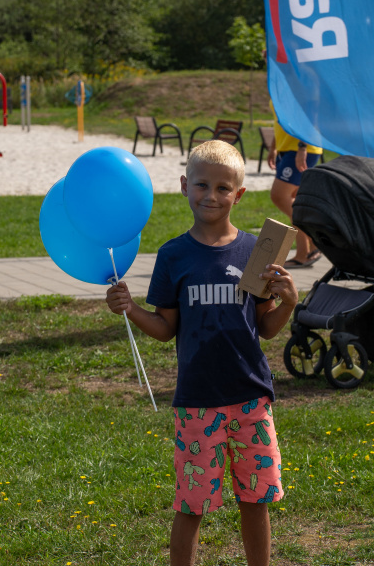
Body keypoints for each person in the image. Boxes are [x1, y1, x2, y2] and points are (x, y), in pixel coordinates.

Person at [106, 140, 298, 566]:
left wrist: (287, 302)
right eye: (201, 185)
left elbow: (265, 329)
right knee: (192, 504)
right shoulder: (174, 255)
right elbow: (164, 329)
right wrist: (132, 309)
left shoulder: (255, 251)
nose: (211, 196)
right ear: (183, 185)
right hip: (197, 402)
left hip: (251, 398)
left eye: (223, 188)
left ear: (239, 194)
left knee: (256, 498)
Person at [268, 100, 323, 268]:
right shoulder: (281, 80)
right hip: (287, 148)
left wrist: (302, 148)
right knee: (294, 201)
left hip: (301, 149)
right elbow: (281, 120)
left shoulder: (300, 80)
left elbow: (309, 115)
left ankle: (313, 240)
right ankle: (304, 252)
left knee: (279, 196)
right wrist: (274, 146)